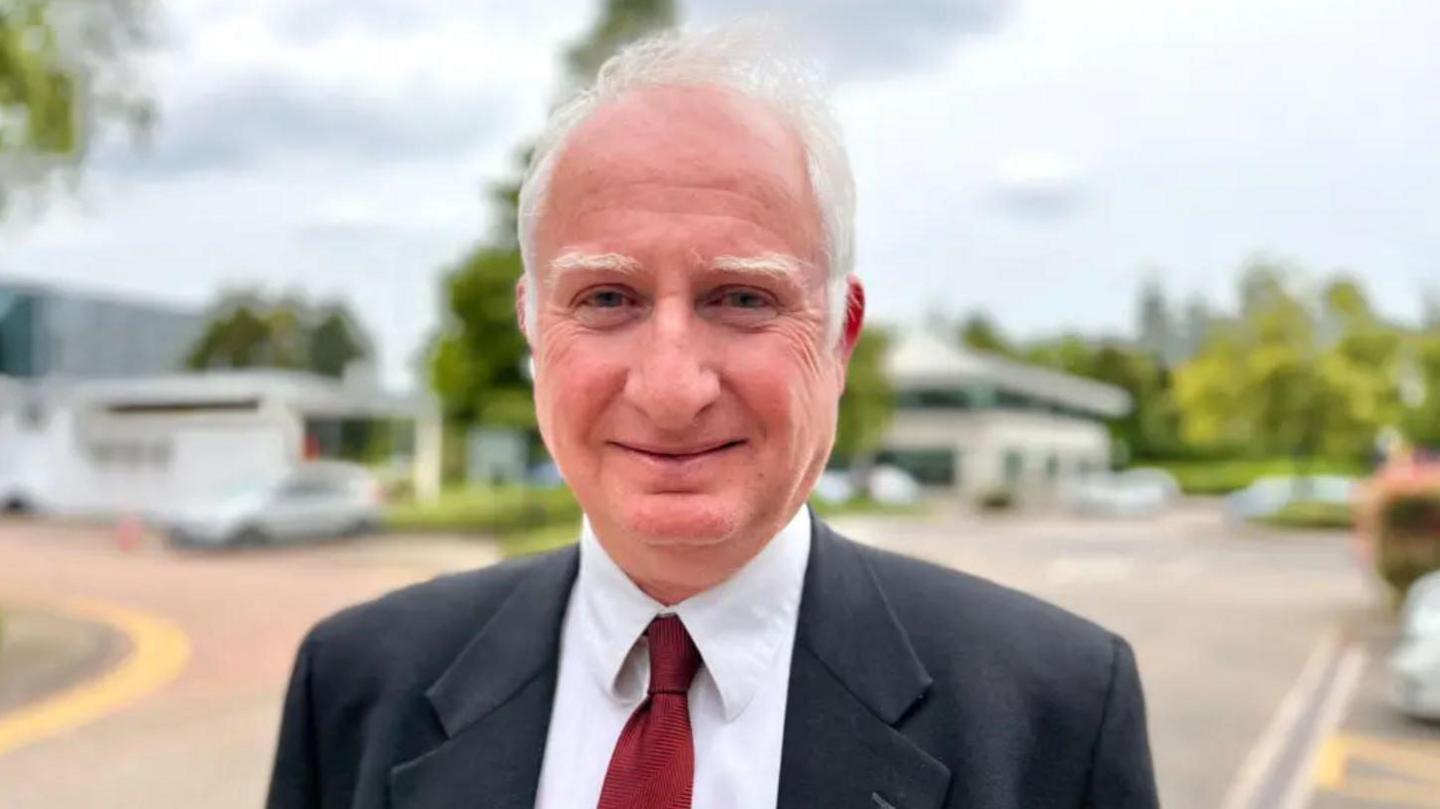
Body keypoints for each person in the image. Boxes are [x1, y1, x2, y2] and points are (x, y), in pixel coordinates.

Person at [266, 25, 1160, 809]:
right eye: (608, 297)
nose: (671, 386)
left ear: (841, 337)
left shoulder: (1057, 714)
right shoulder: (354, 686)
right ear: (534, 327)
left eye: (740, 297)